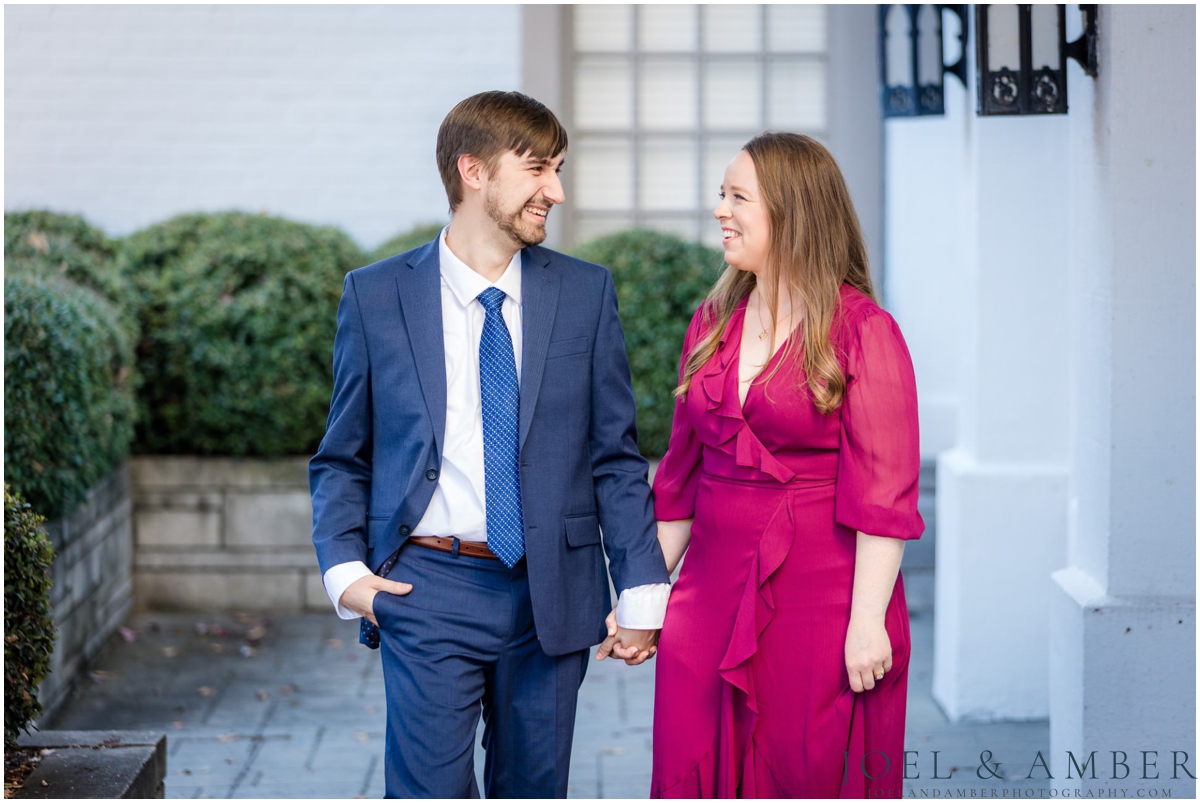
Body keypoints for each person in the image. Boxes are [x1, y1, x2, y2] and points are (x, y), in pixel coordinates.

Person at [308, 90, 670, 799]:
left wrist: (641, 588)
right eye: (537, 169)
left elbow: (615, 458)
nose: (555, 191)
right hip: (427, 585)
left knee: (534, 789)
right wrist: (344, 571)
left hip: (553, 593)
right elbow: (343, 454)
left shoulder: (586, 293)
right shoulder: (377, 296)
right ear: (472, 171)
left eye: (558, 170)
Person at [644, 132, 924, 798]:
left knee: (801, 768)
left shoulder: (863, 330)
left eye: (738, 197)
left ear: (792, 211)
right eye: (722, 194)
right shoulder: (712, 321)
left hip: (822, 602)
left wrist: (867, 622)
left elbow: (885, 498)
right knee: (690, 762)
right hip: (708, 596)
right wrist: (641, 598)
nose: (720, 210)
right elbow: (679, 479)